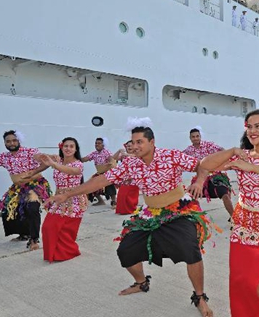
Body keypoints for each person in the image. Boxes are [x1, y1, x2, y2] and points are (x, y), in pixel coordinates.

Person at [48, 117, 214, 316]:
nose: (134, 146)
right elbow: (101, 180)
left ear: (152, 142)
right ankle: (141, 282)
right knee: (125, 251)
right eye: (132, 142)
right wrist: (67, 193)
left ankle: (200, 296)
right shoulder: (130, 164)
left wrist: (199, 182)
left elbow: (201, 166)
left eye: (139, 142)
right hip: (149, 214)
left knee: (190, 250)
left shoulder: (171, 155)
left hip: (177, 210)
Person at [198, 109, 259, 317]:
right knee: (240, 280)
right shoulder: (242, 155)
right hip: (244, 223)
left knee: (257, 283)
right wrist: (233, 151)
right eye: (249, 126)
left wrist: (251, 168)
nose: (252, 131)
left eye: (257, 126)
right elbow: (205, 165)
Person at [38, 137, 87, 263]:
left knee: (65, 230)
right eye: (66, 146)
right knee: (48, 227)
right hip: (59, 199)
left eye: (71, 146)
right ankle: (54, 253)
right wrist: (33, 172)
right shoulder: (57, 160)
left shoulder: (78, 164)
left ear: (76, 149)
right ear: (61, 147)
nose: (68, 149)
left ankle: (67, 252)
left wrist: (54, 164)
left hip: (74, 200)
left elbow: (72, 171)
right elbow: (44, 162)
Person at [182, 127, 234, 216]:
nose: (195, 138)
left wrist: (225, 160)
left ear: (200, 136)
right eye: (193, 137)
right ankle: (195, 219)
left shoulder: (208, 145)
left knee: (225, 195)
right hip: (200, 179)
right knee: (189, 196)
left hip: (215, 176)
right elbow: (180, 159)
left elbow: (222, 150)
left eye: (197, 136)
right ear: (190, 138)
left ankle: (234, 218)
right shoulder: (188, 150)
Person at [81, 137, 117, 206]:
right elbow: (85, 159)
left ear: (103, 145)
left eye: (99, 143)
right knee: (92, 185)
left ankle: (114, 201)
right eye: (96, 143)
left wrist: (109, 163)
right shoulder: (94, 153)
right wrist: (76, 158)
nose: (97, 144)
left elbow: (111, 160)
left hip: (107, 172)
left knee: (109, 185)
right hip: (100, 172)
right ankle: (101, 201)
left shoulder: (106, 152)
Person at [113, 140, 140, 215]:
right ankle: (122, 210)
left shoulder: (137, 154)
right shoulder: (124, 156)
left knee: (131, 196)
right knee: (122, 195)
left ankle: (131, 209)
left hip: (133, 178)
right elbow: (113, 158)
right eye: (128, 146)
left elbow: (132, 156)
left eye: (131, 145)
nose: (129, 147)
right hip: (124, 179)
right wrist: (119, 151)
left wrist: (125, 153)